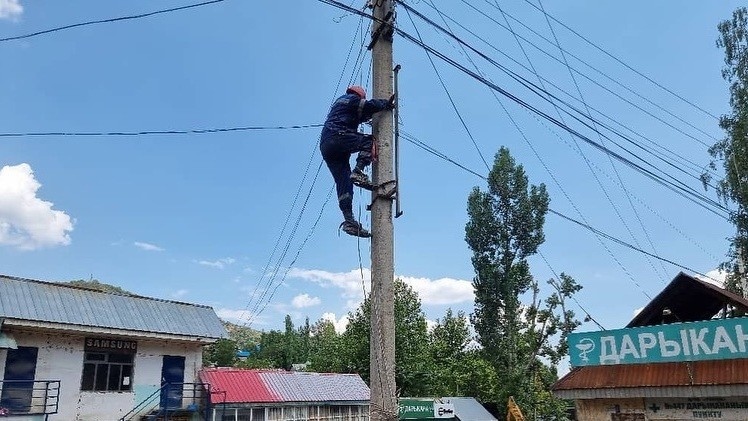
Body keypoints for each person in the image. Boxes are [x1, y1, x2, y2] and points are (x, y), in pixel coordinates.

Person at [320, 85, 395, 238]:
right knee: (369, 142)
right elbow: (369, 106)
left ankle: (349, 220)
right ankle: (359, 171)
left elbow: (360, 114)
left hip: (326, 146)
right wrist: (386, 104)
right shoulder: (352, 99)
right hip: (339, 136)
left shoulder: (339, 104)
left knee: (343, 181)